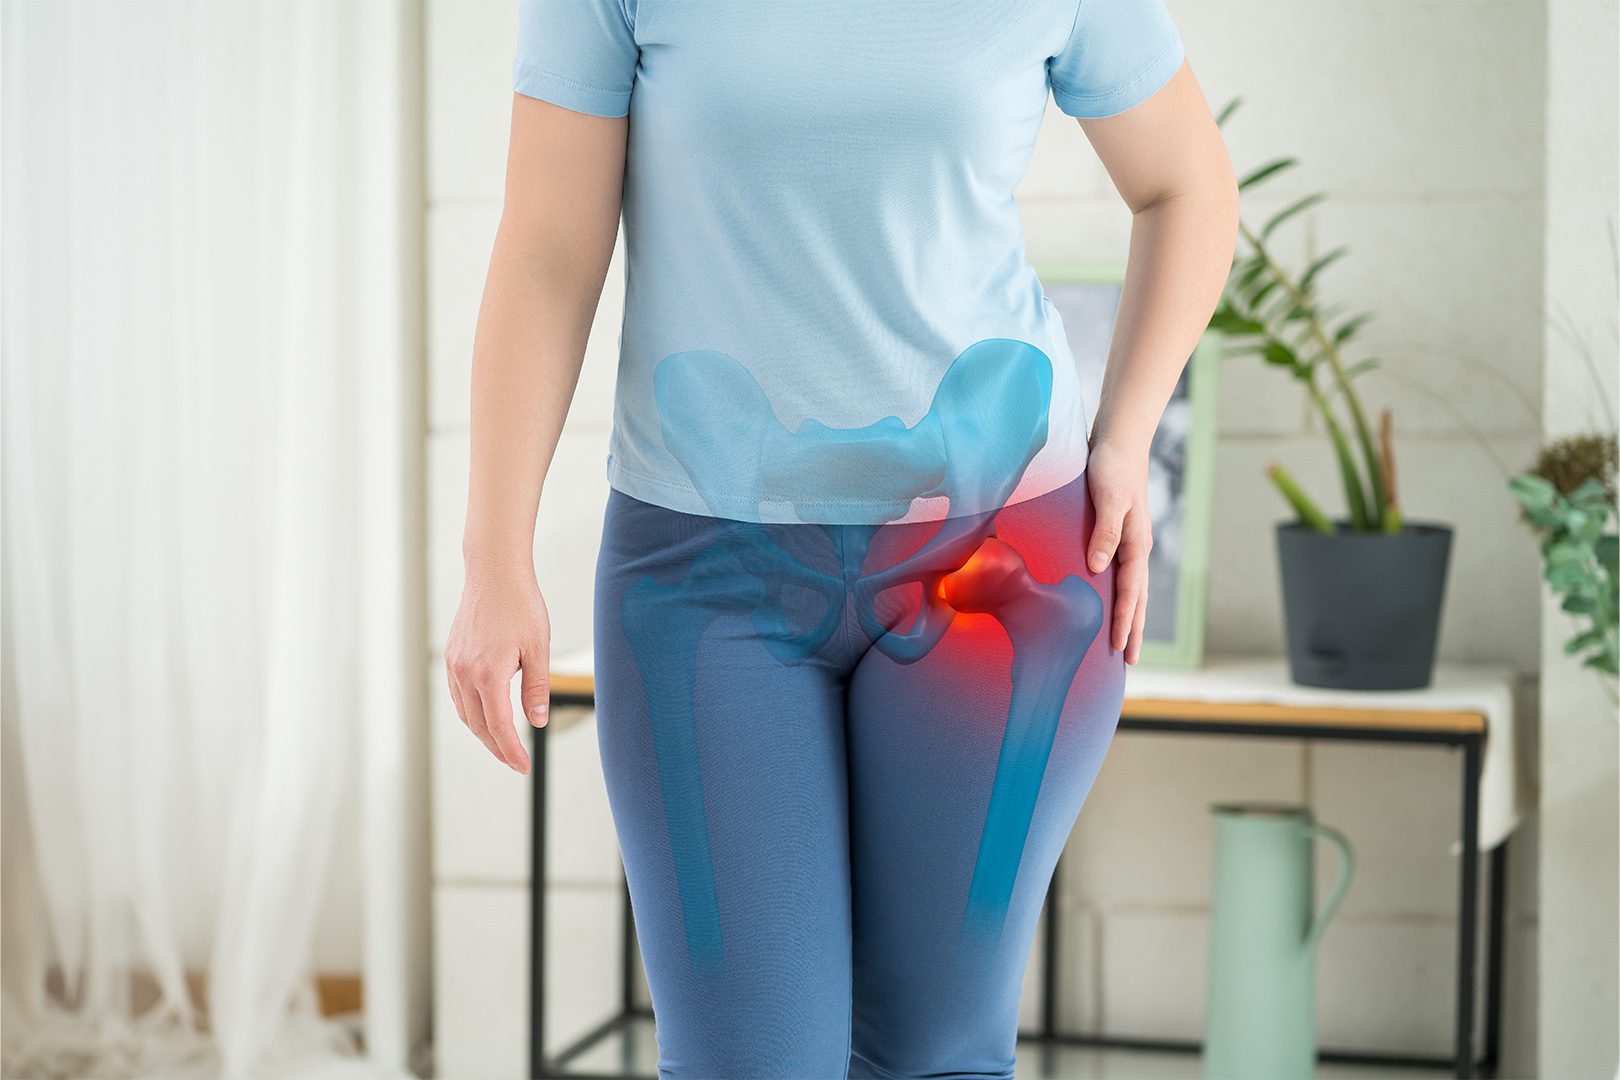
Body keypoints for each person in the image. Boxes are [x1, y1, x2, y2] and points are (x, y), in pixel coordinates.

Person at [445, 1, 1239, 1076]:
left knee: (935, 1055)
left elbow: (1187, 184)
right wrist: (494, 562)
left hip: (1002, 577)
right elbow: (547, 247)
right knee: (749, 1060)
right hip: (702, 579)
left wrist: (1128, 435)